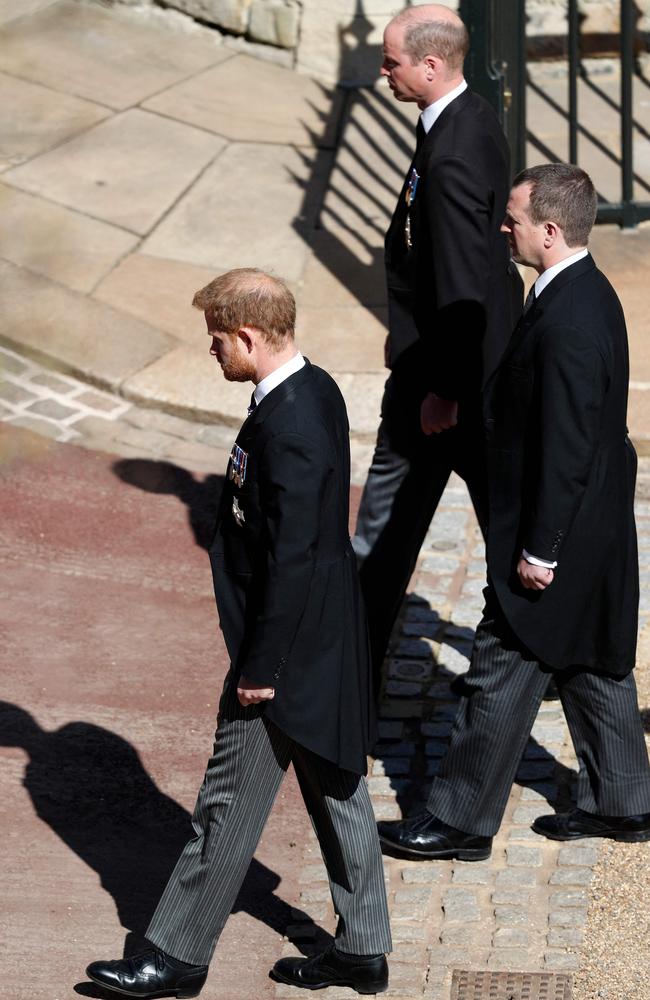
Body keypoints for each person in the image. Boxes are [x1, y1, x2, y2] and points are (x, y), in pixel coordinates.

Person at [86, 269, 392, 998]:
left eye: (218, 340)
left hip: (282, 653)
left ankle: (176, 956)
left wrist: (260, 666)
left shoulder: (288, 424)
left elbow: (290, 558)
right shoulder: (310, 391)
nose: (212, 352)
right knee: (336, 788)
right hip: (320, 644)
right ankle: (363, 947)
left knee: (225, 805)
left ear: (249, 337)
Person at [377, 164, 650, 862]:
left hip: (559, 532)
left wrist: (541, 551)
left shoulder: (569, 324)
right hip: (593, 526)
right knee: (591, 663)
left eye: (517, 219)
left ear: (551, 231)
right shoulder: (580, 293)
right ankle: (624, 804)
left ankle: (458, 821)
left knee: (499, 666)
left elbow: (565, 448)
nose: (505, 226)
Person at [353, 4, 521, 685]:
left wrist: (443, 393)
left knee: (380, 539)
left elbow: (458, 292)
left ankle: (346, 689)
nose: (381, 71)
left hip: (445, 382)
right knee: (505, 529)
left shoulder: (448, 156)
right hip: (471, 372)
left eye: (391, 61)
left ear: (430, 64)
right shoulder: (470, 115)